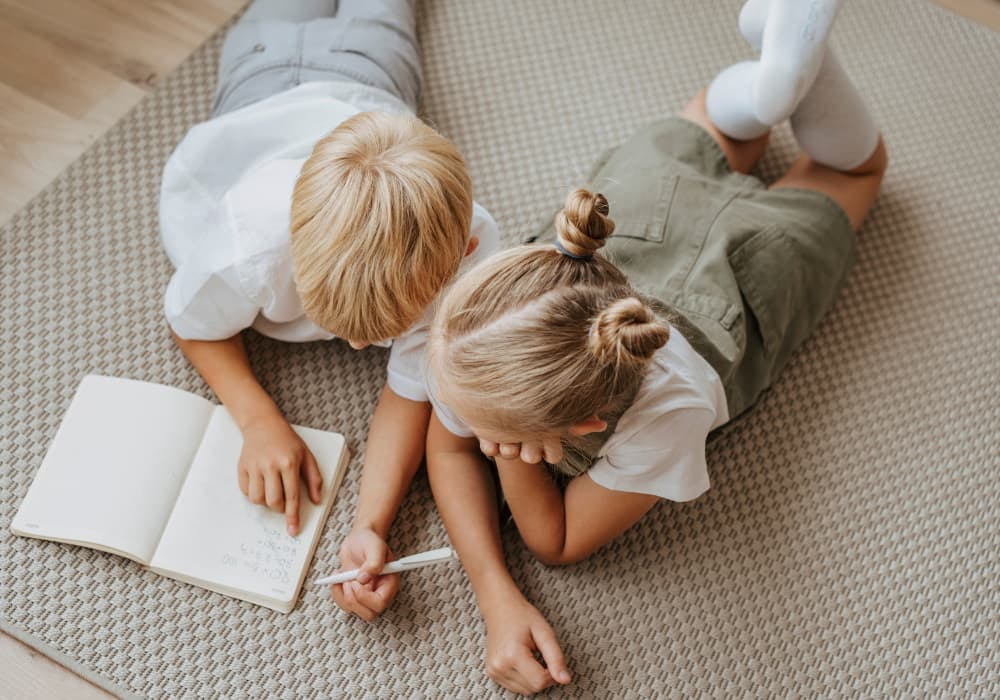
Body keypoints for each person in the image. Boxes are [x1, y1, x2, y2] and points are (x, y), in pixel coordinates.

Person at [423, 7, 888, 695]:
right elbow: (446, 444)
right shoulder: (503, 323)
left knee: (856, 172)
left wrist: (510, 462)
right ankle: (773, 88)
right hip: (638, 220)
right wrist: (495, 592)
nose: (458, 422)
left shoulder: (669, 415)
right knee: (711, 125)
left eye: (491, 432)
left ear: (584, 428)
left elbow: (554, 544)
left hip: (745, 270)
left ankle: (782, 85)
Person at [158, 0, 500, 620]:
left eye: (381, 334)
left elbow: (411, 390)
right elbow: (190, 322)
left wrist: (371, 523)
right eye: (343, 328)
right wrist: (259, 419)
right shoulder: (251, 243)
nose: (361, 351)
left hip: (372, 70)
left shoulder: (469, 252)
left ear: (464, 253)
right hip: (259, 73)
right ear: (291, 251)